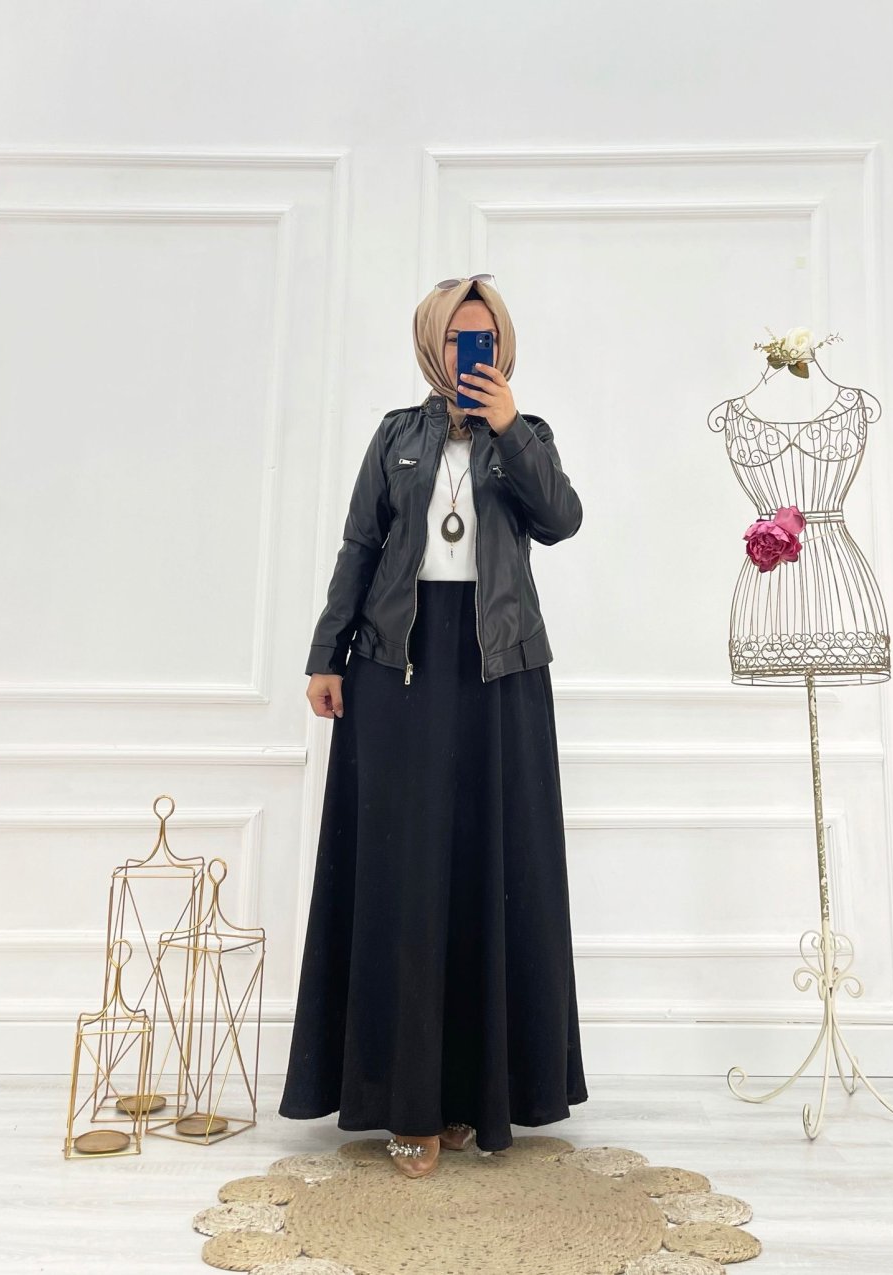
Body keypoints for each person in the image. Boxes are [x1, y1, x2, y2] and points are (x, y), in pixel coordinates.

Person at [278, 274, 588, 1179]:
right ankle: (405, 1103)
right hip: (396, 667)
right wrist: (327, 654)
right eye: (456, 338)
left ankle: (465, 1098)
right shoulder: (394, 436)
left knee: (486, 872)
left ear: (503, 345)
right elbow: (359, 547)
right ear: (431, 345)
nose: (468, 352)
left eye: (482, 337)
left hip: (499, 670)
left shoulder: (527, 435)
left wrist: (507, 425)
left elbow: (562, 521)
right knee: (405, 879)